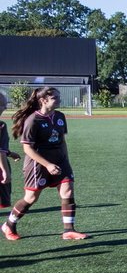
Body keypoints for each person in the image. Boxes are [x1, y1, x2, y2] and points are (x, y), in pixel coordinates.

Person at [3, 87, 88, 241]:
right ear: (43, 100)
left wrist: (66, 161)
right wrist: (48, 164)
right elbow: (27, 148)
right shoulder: (33, 120)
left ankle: (68, 230)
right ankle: (9, 224)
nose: (59, 100)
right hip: (38, 165)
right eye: (55, 97)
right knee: (31, 198)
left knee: (67, 191)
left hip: (60, 161)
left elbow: (62, 141)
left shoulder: (60, 116)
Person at [0, 93, 22, 211]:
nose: (6, 108)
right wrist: (5, 171)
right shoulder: (1, 126)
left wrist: (10, 154)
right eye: (3, 105)